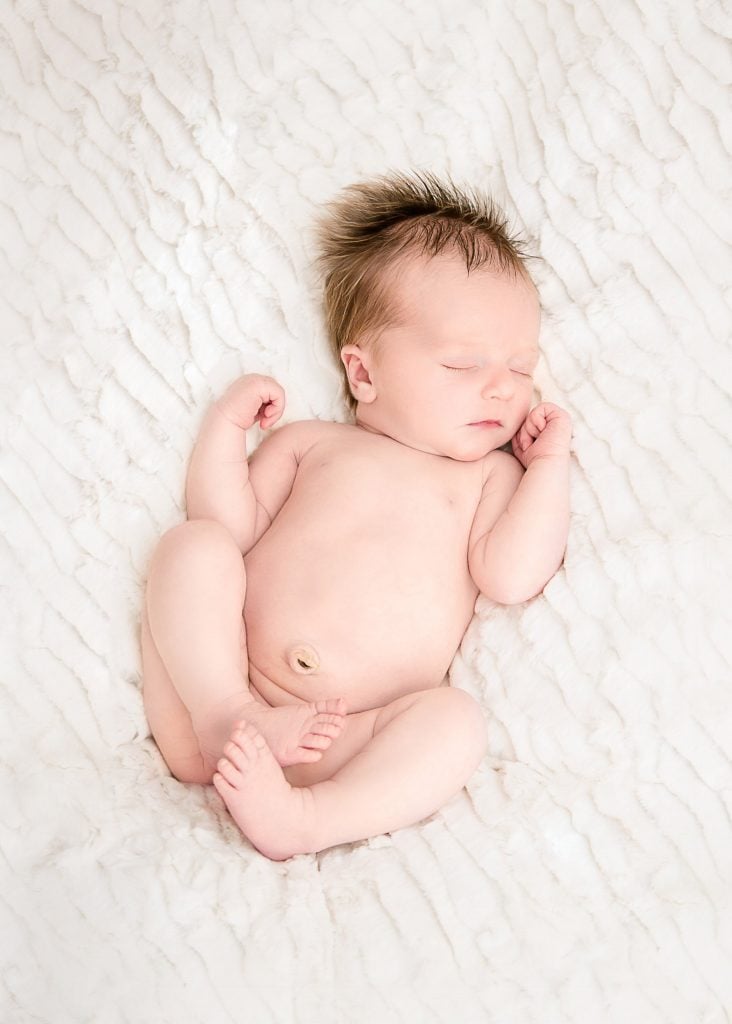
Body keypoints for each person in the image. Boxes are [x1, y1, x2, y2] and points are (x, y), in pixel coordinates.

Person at [141, 172, 572, 860]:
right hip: (219, 691)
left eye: (521, 369)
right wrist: (225, 431)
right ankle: (227, 718)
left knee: (455, 724)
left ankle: (309, 818)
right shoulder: (312, 444)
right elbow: (230, 526)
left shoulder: (488, 478)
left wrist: (549, 468)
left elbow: (514, 575)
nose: (502, 387)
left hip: (347, 734)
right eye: (463, 364)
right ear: (363, 374)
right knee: (191, 549)